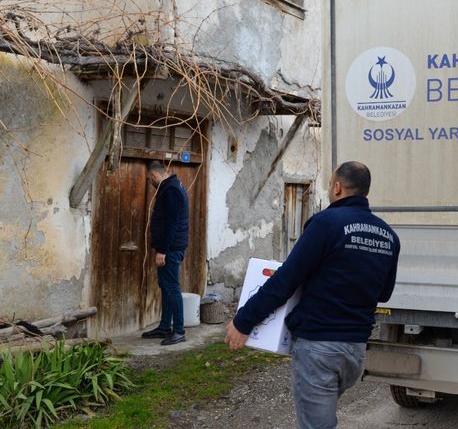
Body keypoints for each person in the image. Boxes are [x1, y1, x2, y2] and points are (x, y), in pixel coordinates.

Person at [225, 161, 400, 429]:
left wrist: (243, 321)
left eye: (330, 184)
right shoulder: (388, 236)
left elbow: (286, 280)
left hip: (320, 348)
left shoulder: (325, 223)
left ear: (338, 187)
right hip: (354, 352)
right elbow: (384, 293)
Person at [140, 160, 189, 346]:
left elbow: (172, 224)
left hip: (171, 249)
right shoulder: (171, 187)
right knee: (166, 286)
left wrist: (162, 251)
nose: (150, 182)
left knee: (172, 287)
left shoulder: (171, 190)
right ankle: (164, 327)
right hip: (170, 248)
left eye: (149, 179)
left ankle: (179, 330)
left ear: (154, 175)